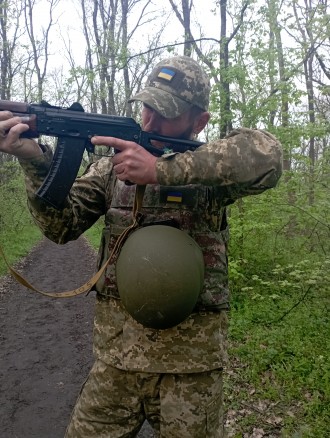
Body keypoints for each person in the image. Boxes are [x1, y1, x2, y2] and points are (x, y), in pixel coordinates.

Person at [0, 55, 283, 437]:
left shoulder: (211, 173)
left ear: (199, 121)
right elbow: (60, 227)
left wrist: (160, 170)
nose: (150, 122)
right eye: (147, 108)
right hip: (117, 362)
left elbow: (267, 155)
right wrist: (34, 161)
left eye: (164, 114)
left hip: (192, 371)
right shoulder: (109, 170)